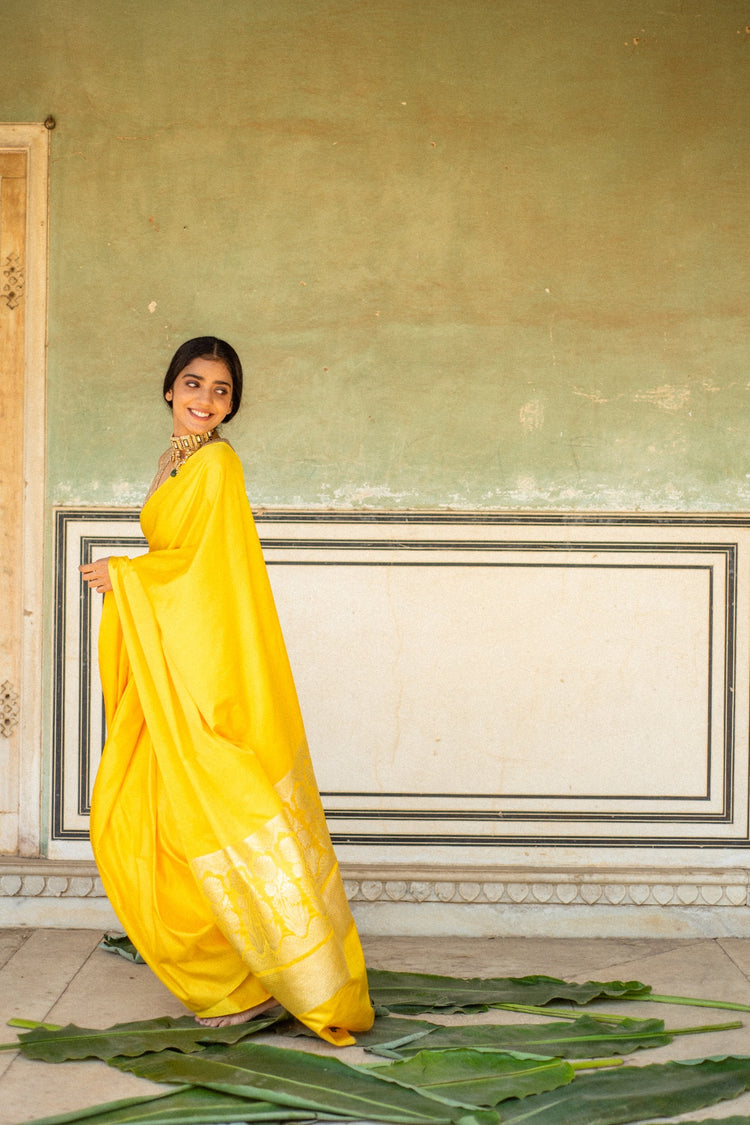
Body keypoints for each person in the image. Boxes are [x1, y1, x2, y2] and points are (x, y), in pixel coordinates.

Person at [79, 337, 374, 1045]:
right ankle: (235, 977)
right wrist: (141, 578)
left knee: (204, 820)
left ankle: (276, 978)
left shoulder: (217, 463)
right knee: (137, 821)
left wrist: (131, 576)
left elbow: (212, 575)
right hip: (169, 666)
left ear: (233, 403)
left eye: (220, 390)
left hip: (202, 672)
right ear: (168, 387)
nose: (205, 399)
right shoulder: (174, 460)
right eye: (193, 382)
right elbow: (182, 558)